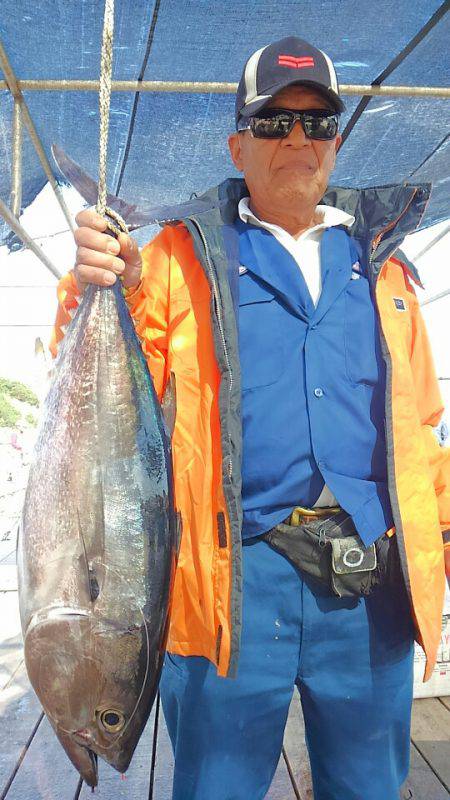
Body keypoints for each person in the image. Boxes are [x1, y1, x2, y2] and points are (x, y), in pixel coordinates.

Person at [51, 36, 450, 800]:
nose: (297, 138)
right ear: (238, 144)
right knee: (217, 788)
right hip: (231, 583)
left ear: (337, 141)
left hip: (369, 587)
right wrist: (95, 279)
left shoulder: (387, 269)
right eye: (273, 122)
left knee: (370, 788)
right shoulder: (176, 258)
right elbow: (106, 382)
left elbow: (424, 434)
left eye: (317, 122)